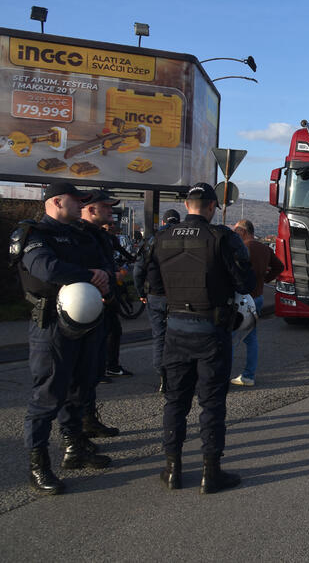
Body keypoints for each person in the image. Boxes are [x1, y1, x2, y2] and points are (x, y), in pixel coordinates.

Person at [145, 183, 256, 493]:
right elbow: (245, 282)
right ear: (211, 206)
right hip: (211, 331)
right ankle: (210, 472)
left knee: (175, 401)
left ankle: (172, 469)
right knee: (211, 404)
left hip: (176, 329)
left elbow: (151, 284)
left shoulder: (162, 237)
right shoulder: (222, 237)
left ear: (186, 204)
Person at [10, 182, 113, 494]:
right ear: (56, 201)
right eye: (75, 199)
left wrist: (103, 275)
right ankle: (38, 465)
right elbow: (45, 267)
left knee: (81, 386)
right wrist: (89, 275)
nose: (81, 204)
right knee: (48, 394)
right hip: (52, 324)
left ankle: (74, 447)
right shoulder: (34, 234)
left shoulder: (82, 234)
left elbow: (104, 263)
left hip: (88, 321)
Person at [75, 190, 125, 438]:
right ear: (92, 209)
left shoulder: (98, 235)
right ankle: (78, 429)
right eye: (107, 207)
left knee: (93, 370)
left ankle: (88, 419)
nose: (111, 211)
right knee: (81, 372)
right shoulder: (79, 235)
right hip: (85, 309)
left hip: (102, 306)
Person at [230, 219, 284, 387]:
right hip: (258, 297)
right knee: (251, 337)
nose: (233, 231)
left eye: (236, 229)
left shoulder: (241, 248)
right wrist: (265, 280)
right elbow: (279, 267)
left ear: (243, 232)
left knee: (230, 338)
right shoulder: (265, 249)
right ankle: (249, 374)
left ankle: (222, 374)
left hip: (241, 298)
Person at [134, 208, 181, 392]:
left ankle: (162, 374)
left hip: (154, 296)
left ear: (162, 222)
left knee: (159, 337)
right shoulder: (183, 241)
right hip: (177, 297)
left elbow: (138, 270)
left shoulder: (152, 241)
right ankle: (177, 374)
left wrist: (141, 293)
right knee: (179, 337)